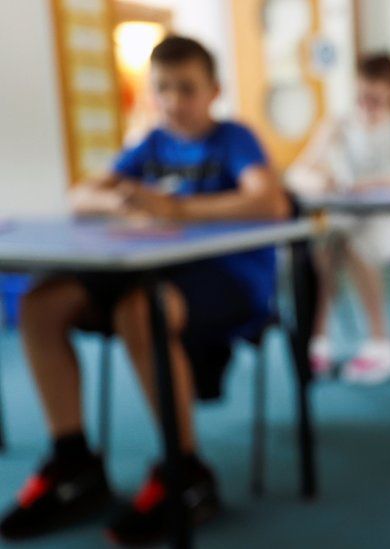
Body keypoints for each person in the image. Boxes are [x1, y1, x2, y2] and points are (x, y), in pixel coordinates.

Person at [0, 36, 290, 543]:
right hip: (152, 270)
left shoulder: (234, 138)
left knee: (142, 311)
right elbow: (83, 194)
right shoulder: (150, 143)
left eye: (187, 89)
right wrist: (119, 203)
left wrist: (178, 210)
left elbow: (270, 202)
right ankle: (74, 465)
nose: (174, 101)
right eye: (163, 89)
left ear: (213, 90)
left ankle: (186, 474)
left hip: (231, 278)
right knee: (40, 303)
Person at [288, 53, 390, 384]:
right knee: (323, 242)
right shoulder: (339, 123)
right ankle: (319, 339)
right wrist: (318, 180)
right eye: (361, 97)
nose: (367, 106)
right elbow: (297, 172)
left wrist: (366, 183)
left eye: (375, 99)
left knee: (353, 242)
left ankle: (381, 341)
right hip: (349, 216)